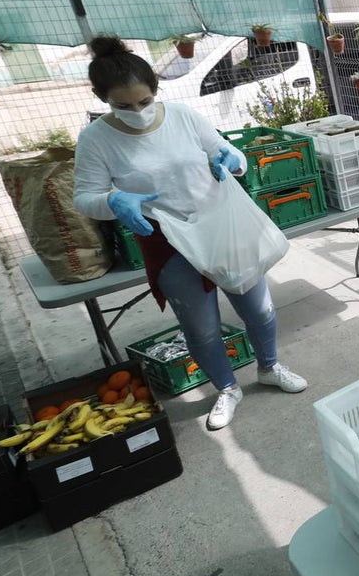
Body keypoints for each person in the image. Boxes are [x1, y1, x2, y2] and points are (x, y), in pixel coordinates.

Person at [73, 35, 307, 432]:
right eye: (123, 106)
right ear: (102, 99)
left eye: (145, 102)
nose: (138, 112)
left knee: (259, 308)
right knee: (201, 326)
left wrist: (233, 158)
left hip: (219, 226)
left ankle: (268, 367)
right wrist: (113, 200)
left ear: (156, 90)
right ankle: (228, 388)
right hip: (165, 239)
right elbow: (84, 197)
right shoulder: (96, 140)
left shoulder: (183, 116)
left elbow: (228, 155)